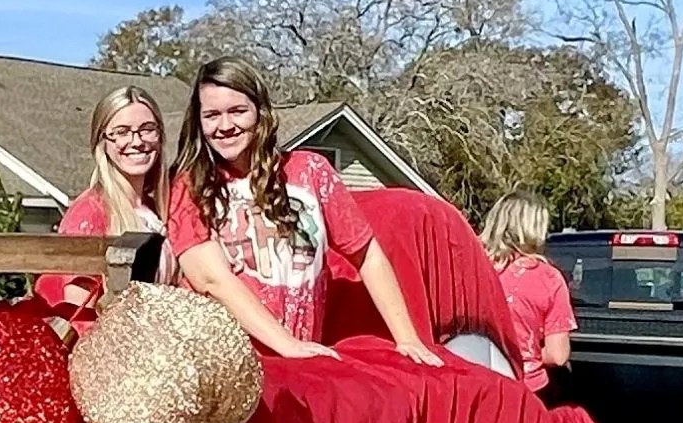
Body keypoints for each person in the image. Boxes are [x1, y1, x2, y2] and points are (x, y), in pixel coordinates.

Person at [165, 56, 442, 364]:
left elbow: (368, 254)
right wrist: (286, 344)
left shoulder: (311, 171)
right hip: (224, 363)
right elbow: (210, 280)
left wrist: (407, 339)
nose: (225, 126)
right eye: (212, 115)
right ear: (199, 122)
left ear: (260, 113)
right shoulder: (188, 185)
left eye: (238, 111)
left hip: (303, 361)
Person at [43, 86, 172, 329]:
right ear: (102, 141)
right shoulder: (89, 212)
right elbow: (80, 317)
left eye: (147, 129)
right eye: (121, 132)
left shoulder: (161, 208)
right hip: (113, 357)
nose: (137, 141)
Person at [480, 192, 575, 393]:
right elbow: (558, 356)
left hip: (473, 384)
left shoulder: (470, 265)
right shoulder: (548, 278)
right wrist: (530, 352)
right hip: (526, 388)